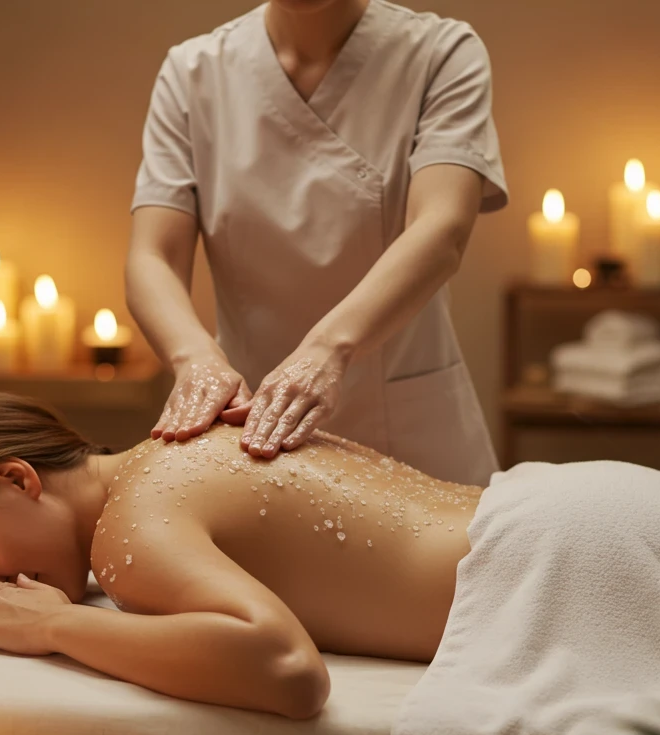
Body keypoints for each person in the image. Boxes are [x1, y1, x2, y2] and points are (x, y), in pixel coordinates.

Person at [0, 392, 480, 719]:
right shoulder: (180, 442)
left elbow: (290, 673)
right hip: (531, 512)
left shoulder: (125, 533)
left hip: (533, 570)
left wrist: (56, 623)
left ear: (16, 479)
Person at [127, 0, 506, 485]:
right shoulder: (193, 72)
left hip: (409, 430)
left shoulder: (440, 52)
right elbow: (152, 256)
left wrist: (327, 352)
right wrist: (194, 358)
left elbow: (442, 228)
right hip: (253, 426)